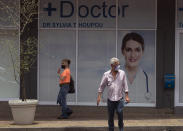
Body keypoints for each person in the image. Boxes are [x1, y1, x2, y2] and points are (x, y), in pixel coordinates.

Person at [97, 57, 130, 131]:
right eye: (116, 65)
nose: (118, 66)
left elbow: (125, 85)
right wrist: (99, 97)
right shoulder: (106, 74)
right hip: (110, 99)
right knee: (110, 117)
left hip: (119, 98)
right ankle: (111, 129)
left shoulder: (122, 73)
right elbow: (101, 86)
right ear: (112, 65)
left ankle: (121, 128)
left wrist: (127, 96)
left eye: (119, 64)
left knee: (120, 112)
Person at [121, 32, 153, 103]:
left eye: (137, 50)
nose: (133, 55)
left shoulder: (150, 79)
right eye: (129, 50)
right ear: (123, 51)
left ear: (142, 52)